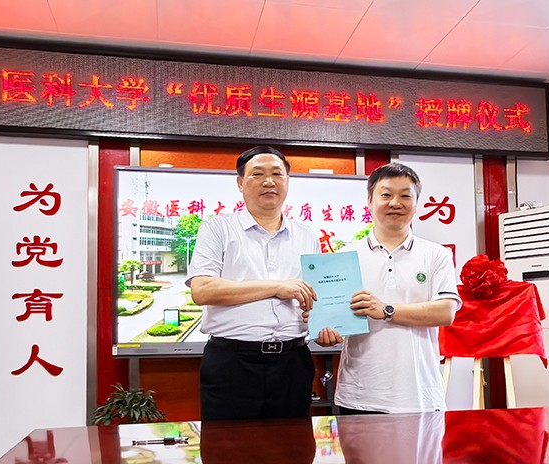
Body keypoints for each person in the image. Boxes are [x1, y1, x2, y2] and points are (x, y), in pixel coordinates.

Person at [186, 145, 320, 421]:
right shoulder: (217, 228)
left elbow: (316, 297)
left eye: (277, 174)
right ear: (240, 183)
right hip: (231, 364)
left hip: (293, 362)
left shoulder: (307, 236)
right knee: (228, 444)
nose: (269, 181)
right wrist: (276, 287)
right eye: (258, 174)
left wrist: (325, 322)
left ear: (287, 181)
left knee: (292, 443)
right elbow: (202, 290)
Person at [316, 162, 461, 414]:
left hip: (420, 395)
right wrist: (325, 333)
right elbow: (332, 320)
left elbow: (445, 312)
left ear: (416, 203)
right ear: (369, 201)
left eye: (405, 196)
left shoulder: (436, 254)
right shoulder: (345, 256)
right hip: (359, 395)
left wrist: (386, 310)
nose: (395, 203)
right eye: (386, 195)